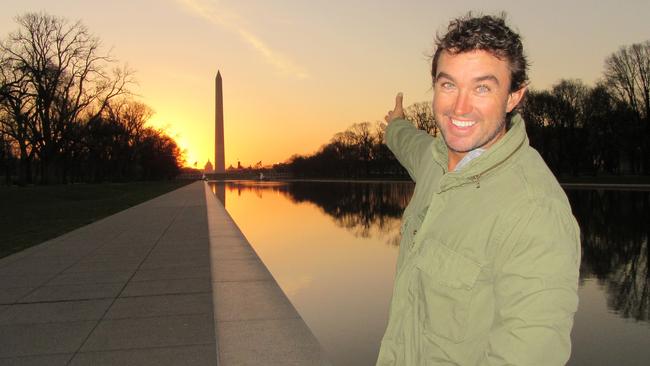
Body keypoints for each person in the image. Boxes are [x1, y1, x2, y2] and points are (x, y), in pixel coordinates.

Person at [377, 13, 581, 366]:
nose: (460, 107)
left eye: (482, 87)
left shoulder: (535, 211)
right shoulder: (436, 158)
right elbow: (410, 143)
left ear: (514, 96)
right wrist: (396, 124)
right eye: (448, 85)